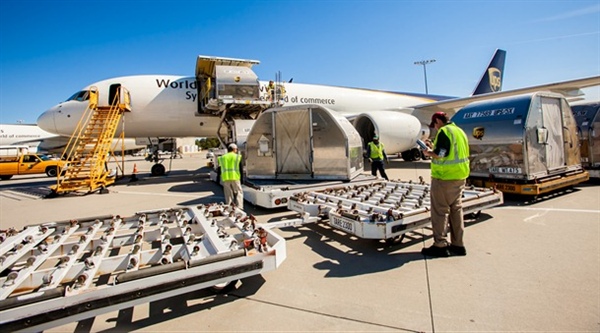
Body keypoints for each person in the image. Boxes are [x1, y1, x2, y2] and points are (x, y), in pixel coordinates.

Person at [421, 112, 470, 257]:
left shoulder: (444, 131)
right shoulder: (459, 131)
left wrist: (428, 152)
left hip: (444, 178)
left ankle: (440, 245)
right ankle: (458, 245)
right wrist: (434, 148)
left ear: (438, 120)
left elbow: (441, 154)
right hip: (460, 176)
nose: (435, 128)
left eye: (434, 124)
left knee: (440, 211)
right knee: (456, 210)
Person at [218, 143, 244, 210]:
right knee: (238, 192)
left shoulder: (223, 157)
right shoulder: (237, 157)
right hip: (235, 177)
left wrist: (218, 178)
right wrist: (242, 179)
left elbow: (219, 169)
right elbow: (240, 168)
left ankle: (229, 207)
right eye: (236, 149)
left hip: (226, 178)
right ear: (234, 149)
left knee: (228, 193)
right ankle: (239, 207)